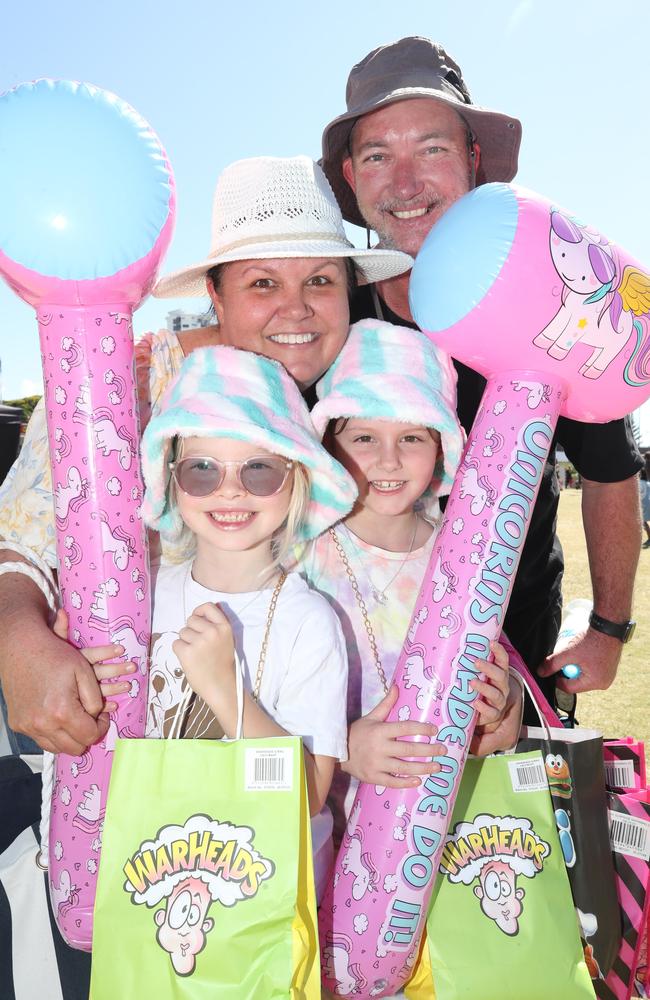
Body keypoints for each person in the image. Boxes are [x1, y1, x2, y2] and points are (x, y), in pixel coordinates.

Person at [0, 154, 412, 756]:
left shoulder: (365, 401)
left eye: (320, 280)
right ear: (215, 296)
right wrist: (16, 638)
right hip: (138, 757)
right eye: (262, 282)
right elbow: (24, 532)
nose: (295, 309)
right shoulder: (125, 380)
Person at [319, 35, 643, 705]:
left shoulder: (552, 292)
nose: (405, 183)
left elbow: (611, 469)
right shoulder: (329, 311)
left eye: (431, 149)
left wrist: (608, 628)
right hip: (348, 666)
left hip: (514, 660)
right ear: (351, 177)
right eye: (378, 155)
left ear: (473, 160)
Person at [53, 342, 359, 902]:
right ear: (171, 479)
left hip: (261, 896)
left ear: (297, 480)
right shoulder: (137, 600)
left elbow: (312, 792)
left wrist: (228, 692)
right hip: (151, 876)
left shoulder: (308, 622)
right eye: (201, 469)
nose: (231, 490)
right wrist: (74, 663)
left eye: (260, 470)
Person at [299, 320, 523, 844]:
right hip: (318, 835)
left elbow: (492, 660)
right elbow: (254, 697)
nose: (388, 459)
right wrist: (343, 748)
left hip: (437, 834)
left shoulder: (464, 552)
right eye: (363, 437)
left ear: (442, 447)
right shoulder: (296, 549)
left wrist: (504, 699)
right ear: (328, 444)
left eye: (411, 437)